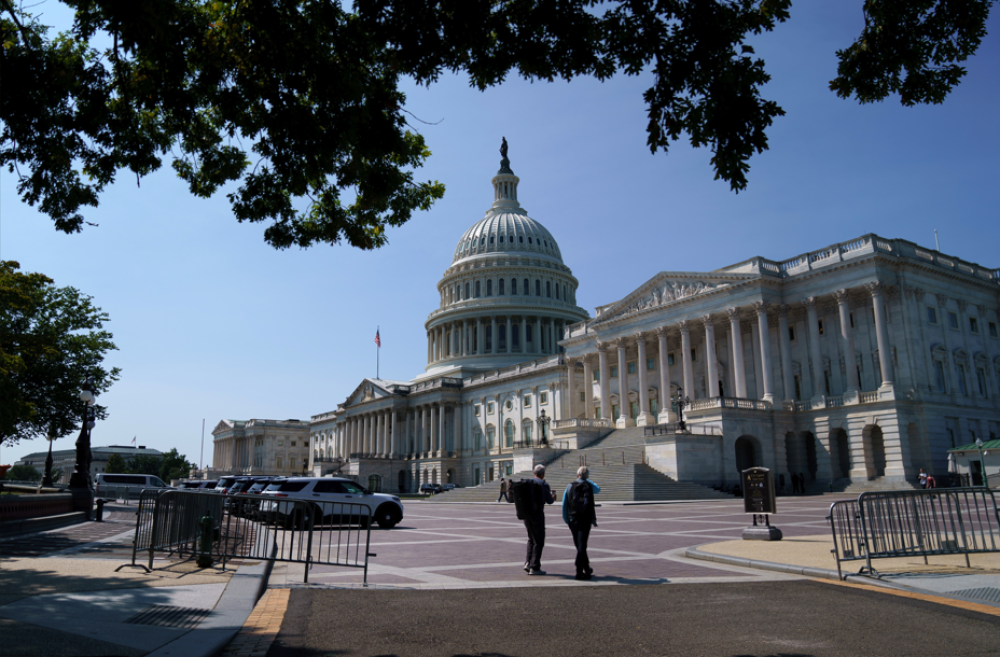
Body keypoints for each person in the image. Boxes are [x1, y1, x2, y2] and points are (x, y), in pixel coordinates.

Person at [563, 466, 600, 580]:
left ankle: (586, 568)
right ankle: (579, 571)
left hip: (573, 519)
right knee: (582, 545)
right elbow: (598, 489)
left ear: (577, 474)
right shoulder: (588, 485)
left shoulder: (570, 485)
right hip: (586, 519)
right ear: (587, 476)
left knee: (579, 545)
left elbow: (564, 504)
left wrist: (566, 519)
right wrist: (586, 479)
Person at [521, 464, 555, 575]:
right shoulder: (543, 484)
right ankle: (534, 567)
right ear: (543, 474)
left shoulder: (527, 483)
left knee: (531, 539)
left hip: (526, 515)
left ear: (534, 473)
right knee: (539, 541)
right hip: (537, 515)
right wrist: (552, 496)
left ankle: (527, 562)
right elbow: (549, 501)